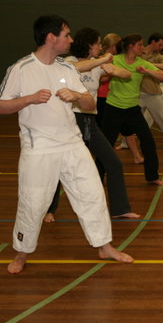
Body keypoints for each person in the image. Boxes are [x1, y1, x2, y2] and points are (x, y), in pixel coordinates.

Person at [0, 14, 133, 274]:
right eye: (67, 34)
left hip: (72, 144)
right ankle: (22, 253)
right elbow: (2, 105)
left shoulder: (66, 68)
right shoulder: (22, 68)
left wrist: (77, 96)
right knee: (33, 201)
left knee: (92, 193)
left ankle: (104, 245)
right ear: (51, 38)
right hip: (39, 147)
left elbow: (90, 104)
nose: (71, 40)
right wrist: (28, 99)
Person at [43, 27, 139, 223]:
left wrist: (116, 71)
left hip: (89, 121)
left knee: (113, 162)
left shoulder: (96, 66)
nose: (100, 47)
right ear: (88, 45)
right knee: (59, 166)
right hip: (69, 121)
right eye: (97, 44)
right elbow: (77, 68)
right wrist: (104, 60)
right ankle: (49, 209)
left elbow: (126, 74)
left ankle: (120, 208)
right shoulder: (67, 62)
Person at [101, 34, 163, 186]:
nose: (142, 47)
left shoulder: (141, 63)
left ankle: (152, 176)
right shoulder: (115, 59)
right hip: (113, 109)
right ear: (131, 46)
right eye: (140, 44)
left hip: (133, 110)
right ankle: (98, 177)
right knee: (106, 145)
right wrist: (110, 72)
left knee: (148, 142)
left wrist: (146, 71)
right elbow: (101, 77)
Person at [140, 32, 163, 150]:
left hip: (154, 94)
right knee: (131, 120)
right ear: (153, 42)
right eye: (159, 45)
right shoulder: (139, 52)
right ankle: (125, 144)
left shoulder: (158, 56)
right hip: (137, 93)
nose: (161, 48)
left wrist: (150, 65)